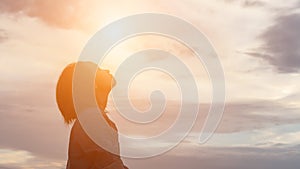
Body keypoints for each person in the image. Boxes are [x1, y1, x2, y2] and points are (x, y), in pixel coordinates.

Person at [56, 62, 128, 169]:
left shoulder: (89, 118)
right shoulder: (91, 119)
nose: (107, 70)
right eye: (98, 70)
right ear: (91, 84)